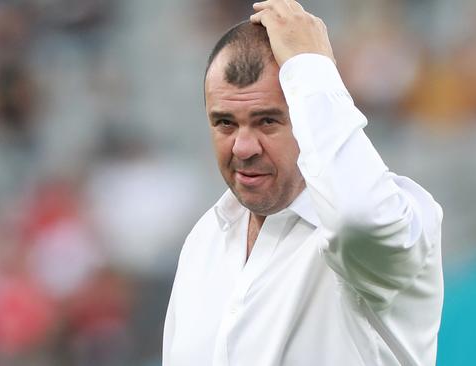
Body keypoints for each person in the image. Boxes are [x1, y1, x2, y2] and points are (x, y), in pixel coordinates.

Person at [162, 1, 443, 365]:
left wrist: (311, 66)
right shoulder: (204, 242)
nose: (243, 147)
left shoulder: (400, 220)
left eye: (267, 121)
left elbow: (358, 217)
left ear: (310, 118)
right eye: (225, 123)